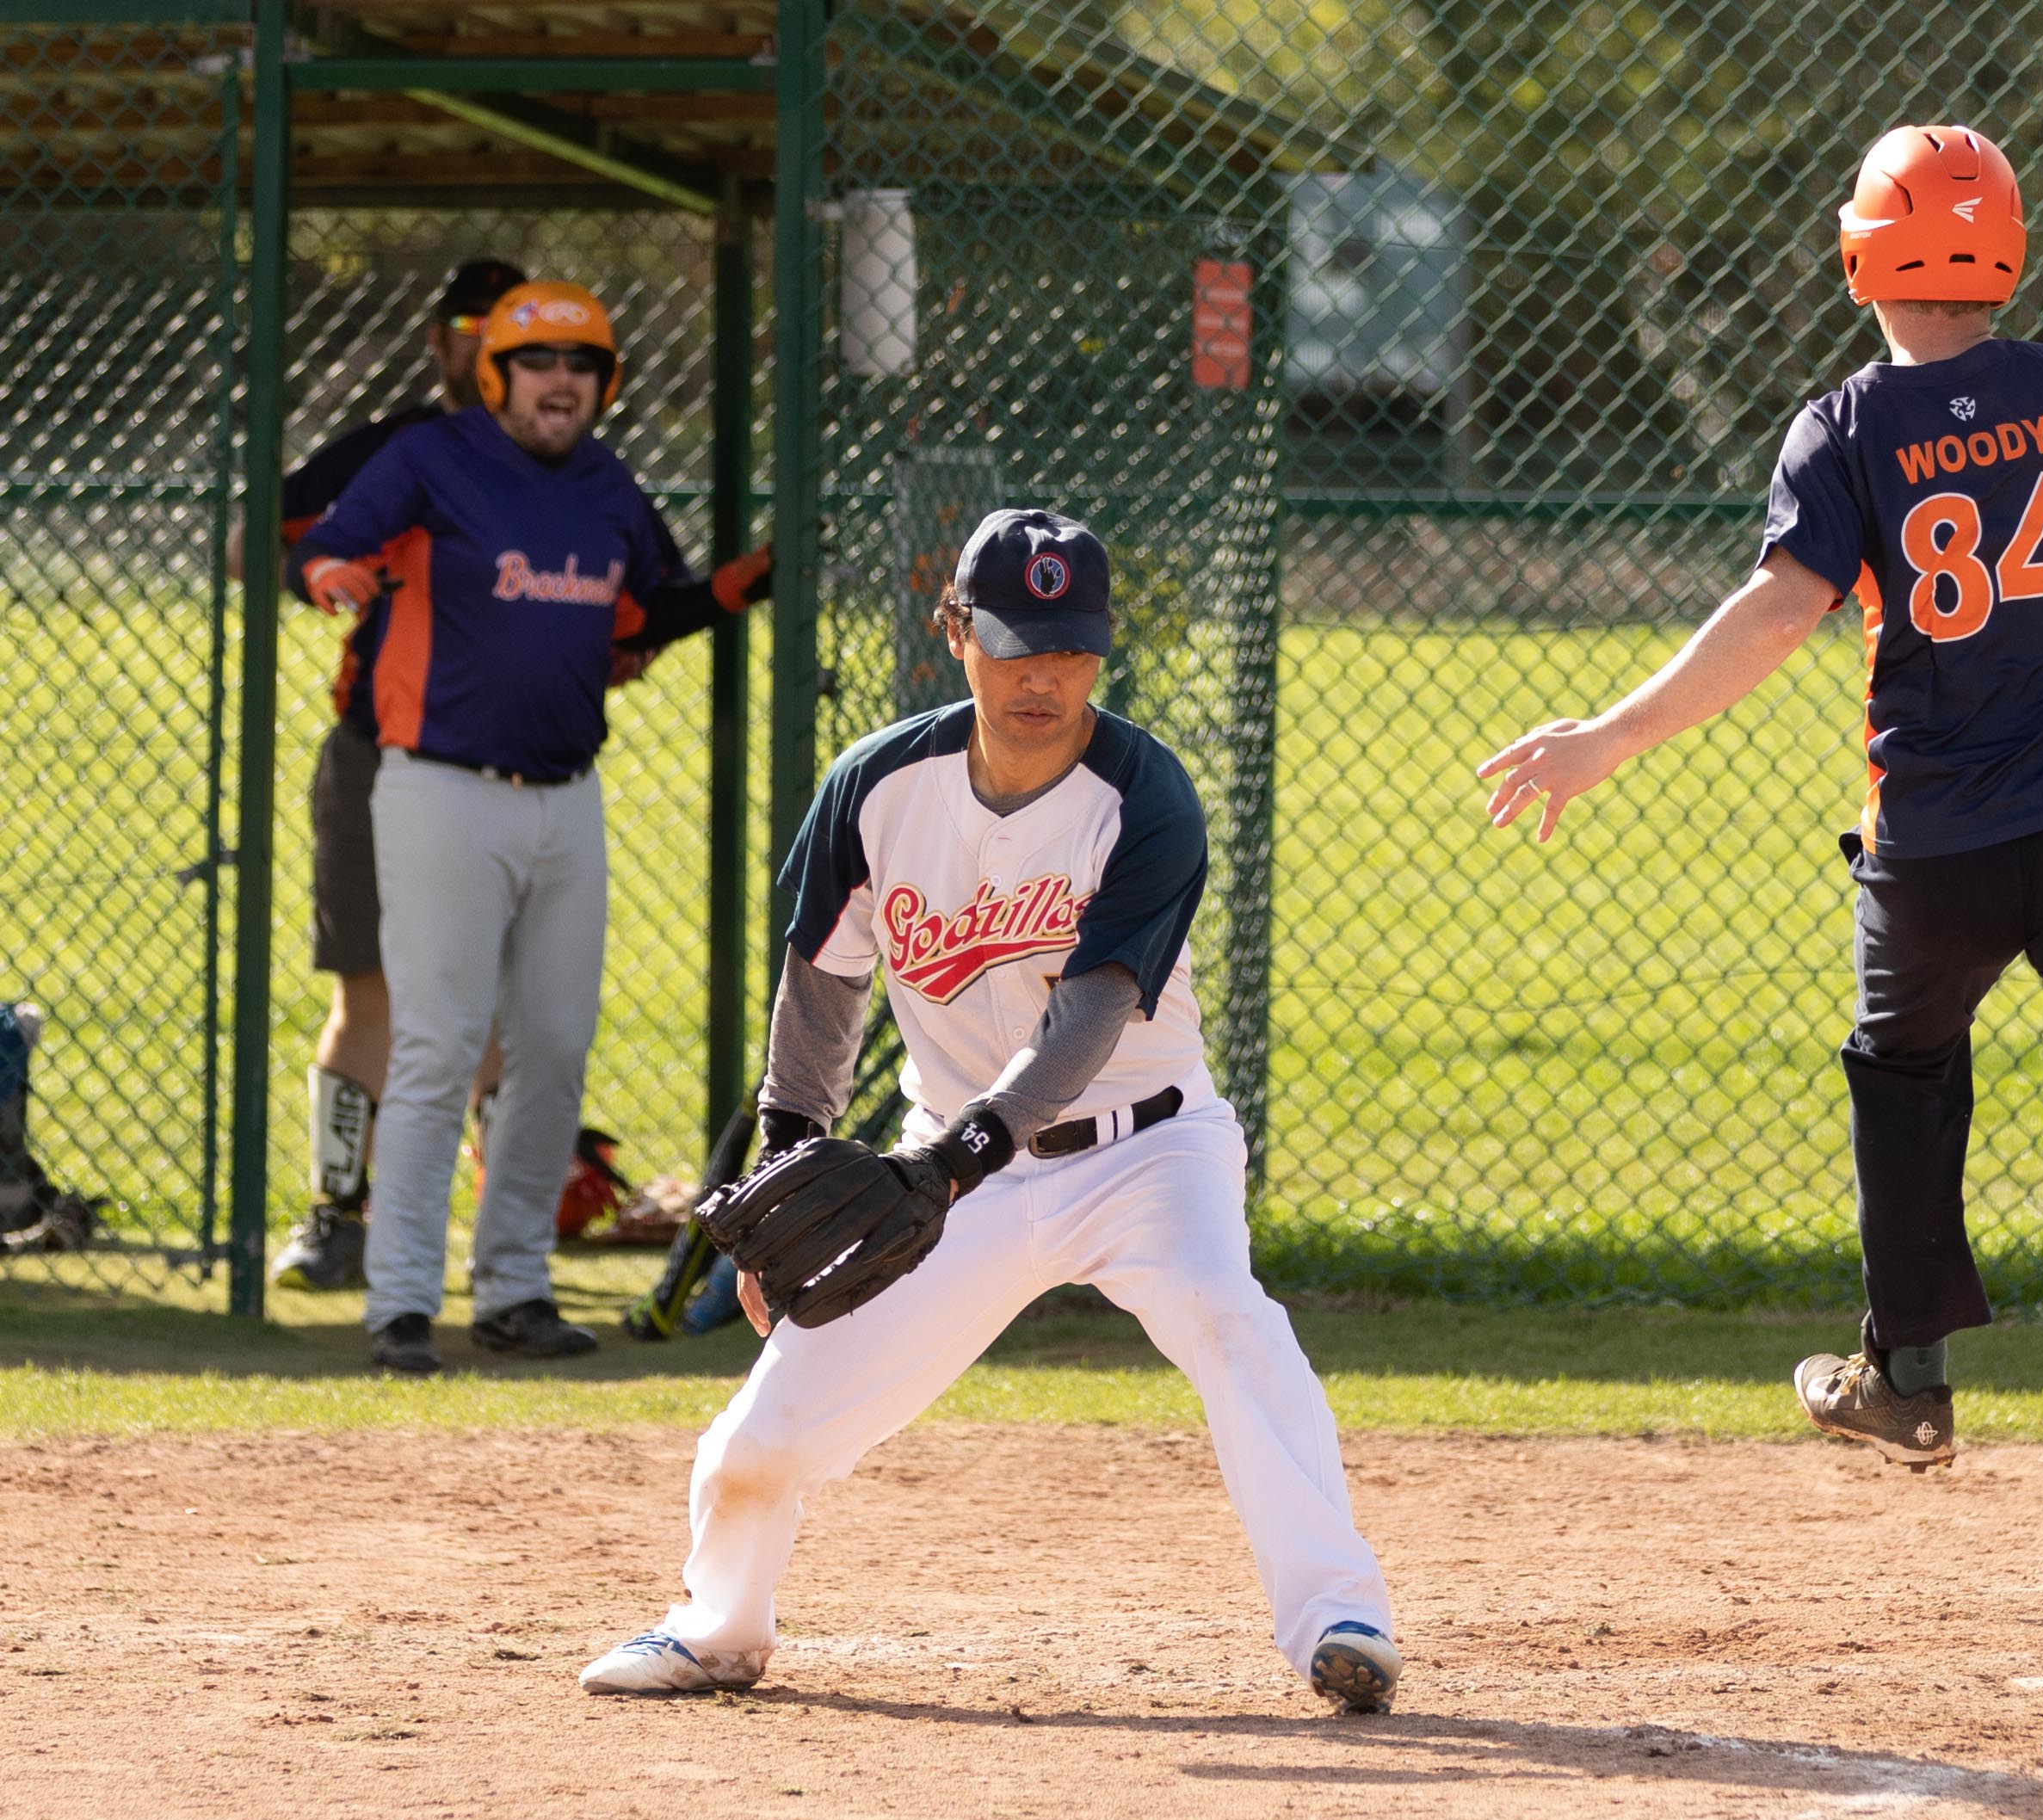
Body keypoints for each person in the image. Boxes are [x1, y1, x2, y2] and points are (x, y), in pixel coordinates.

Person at [1475, 125, 2043, 1521]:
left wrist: (1607, 735)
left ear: (1860, 255)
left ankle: (1904, 1379)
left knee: (1901, 1073)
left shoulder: (1844, 425)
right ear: (2008, 252)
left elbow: (1781, 608)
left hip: (1931, 843)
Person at [577, 509, 1402, 1712]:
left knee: (1229, 1319)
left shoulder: (1144, 795)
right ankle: (716, 1627)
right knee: (765, 1429)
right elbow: (819, 989)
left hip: (1148, 1145)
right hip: (954, 1165)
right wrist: (783, 1169)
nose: (1043, 677)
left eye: (1069, 648)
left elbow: (1090, 1018)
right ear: (953, 631)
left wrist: (953, 1161)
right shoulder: (876, 786)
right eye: (1015, 644)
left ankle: (1341, 1615)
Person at [289, 281, 772, 1374]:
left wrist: (737, 589)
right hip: (440, 789)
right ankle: (402, 1303)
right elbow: (323, 545)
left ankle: (511, 1291)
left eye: (584, 364)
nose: (563, 380)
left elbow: (645, 607)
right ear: (496, 374)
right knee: (439, 1043)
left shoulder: (606, 484)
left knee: (551, 1048)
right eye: (540, 361)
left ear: (603, 385)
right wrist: (328, 570)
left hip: (567, 795)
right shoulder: (430, 457)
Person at [263, 256, 522, 1293]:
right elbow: (270, 537)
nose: (488, 344)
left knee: (499, 1002)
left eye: (511, 328)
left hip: (511, 765)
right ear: (440, 341)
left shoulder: (563, 462)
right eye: (470, 324)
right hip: (379, 750)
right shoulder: (399, 446)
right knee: (367, 989)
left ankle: (508, 1232)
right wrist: (341, 562)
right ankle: (339, 1213)